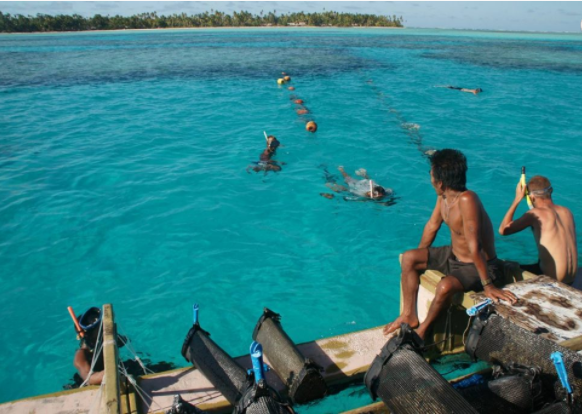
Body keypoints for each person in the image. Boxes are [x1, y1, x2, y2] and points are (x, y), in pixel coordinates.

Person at [383, 149, 517, 339]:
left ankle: (422, 332)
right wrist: (418, 260)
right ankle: (408, 315)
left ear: (440, 182)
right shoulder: (443, 197)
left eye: (431, 175)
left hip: (478, 265)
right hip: (453, 255)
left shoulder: (467, 199)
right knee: (409, 258)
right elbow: (432, 227)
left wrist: (488, 285)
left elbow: (474, 246)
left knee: (445, 286)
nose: (430, 179)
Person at [498, 175, 578, 285]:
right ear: (551, 191)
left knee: (504, 266)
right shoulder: (567, 212)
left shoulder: (535, 214)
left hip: (553, 281)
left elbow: (503, 230)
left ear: (531, 197)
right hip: (571, 278)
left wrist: (517, 199)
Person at [73, 307, 104, 385]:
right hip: (92, 382)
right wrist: (109, 372)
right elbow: (90, 378)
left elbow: (124, 341)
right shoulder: (80, 356)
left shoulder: (104, 339)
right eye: (99, 328)